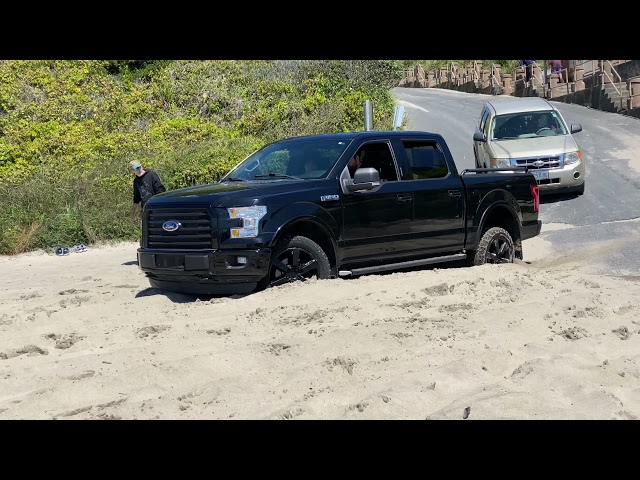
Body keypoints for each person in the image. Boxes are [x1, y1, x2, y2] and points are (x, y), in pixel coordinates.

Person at [130, 160, 166, 225]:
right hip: (145, 210)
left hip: (156, 209)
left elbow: (161, 191)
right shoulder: (136, 181)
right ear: (132, 171)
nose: (139, 170)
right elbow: (136, 200)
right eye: (136, 169)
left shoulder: (151, 174)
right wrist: (133, 216)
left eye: (139, 167)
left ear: (141, 166)